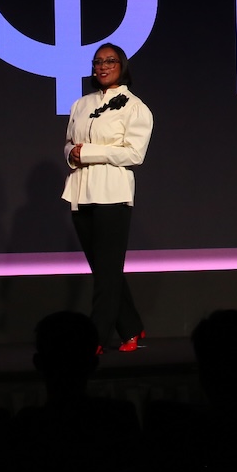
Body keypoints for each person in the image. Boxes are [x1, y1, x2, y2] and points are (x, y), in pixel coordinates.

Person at [62, 42, 153, 352]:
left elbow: (134, 154)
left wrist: (88, 152)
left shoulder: (134, 107)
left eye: (110, 61)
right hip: (80, 191)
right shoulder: (81, 104)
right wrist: (72, 154)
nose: (102, 66)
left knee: (107, 271)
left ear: (121, 65)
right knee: (104, 269)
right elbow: (69, 143)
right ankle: (131, 326)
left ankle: (96, 337)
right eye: (98, 61)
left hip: (112, 193)